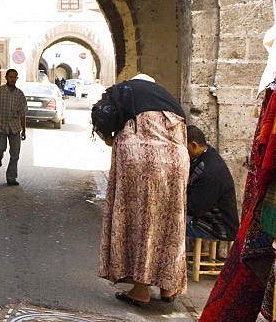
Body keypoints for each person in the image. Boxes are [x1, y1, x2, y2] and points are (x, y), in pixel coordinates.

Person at [95, 73, 188, 306]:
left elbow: (101, 115)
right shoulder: (168, 100)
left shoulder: (126, 91)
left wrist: (109, 139)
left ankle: (140, 291)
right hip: (177, 161)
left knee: (140, 219)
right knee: (170, 220)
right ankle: (168, 287)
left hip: (139, 159)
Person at [185, 125, 239, 241]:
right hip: (205, 217)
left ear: (194, 145)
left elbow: (193, 209)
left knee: (167, 223)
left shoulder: (209, 171)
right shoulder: (206, 156)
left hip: (219, 228)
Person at [0, 68, 27, 185]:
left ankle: (11, 177)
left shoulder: (20, 94)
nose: (12, 79)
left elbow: (22, 113)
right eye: (11, 77)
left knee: (15, 153)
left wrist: (24, 130)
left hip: (14, 126)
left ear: (17, 79)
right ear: (6, 78)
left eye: (15, 77)